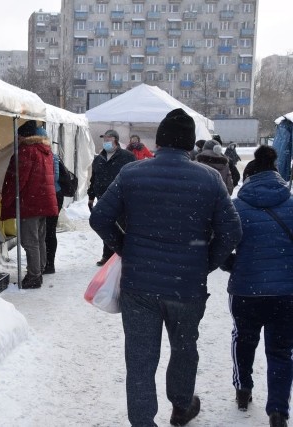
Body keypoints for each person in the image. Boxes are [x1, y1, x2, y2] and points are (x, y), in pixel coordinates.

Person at [89, 108, 242, 427]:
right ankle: (182, 406)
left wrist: (125, 248)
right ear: (189, 145)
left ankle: (143, 421)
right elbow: (231, 230)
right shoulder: (209, 178)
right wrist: (206, 263)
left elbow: (100, 217)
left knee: (141, 359)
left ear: (158, 141)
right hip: (186, 287)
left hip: (139, 286)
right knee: (184, 349)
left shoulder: (132, 174)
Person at [222, 145, 293, 427]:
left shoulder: (236, 206)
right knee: (281, 351)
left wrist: (232, 265)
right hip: (286, 292)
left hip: (246, 290)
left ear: (247, 178)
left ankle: (243, 388)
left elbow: (222, 245)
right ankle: (277, 410)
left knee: (244, 339)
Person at [0, 120, 58, 289]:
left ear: (23, 136)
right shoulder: (45, 151)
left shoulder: (25, 152)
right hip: (43, 201)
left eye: (18, 136)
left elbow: (18, 180)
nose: (16, 139)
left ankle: (33, 276)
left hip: (30, 202)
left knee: (29, 241)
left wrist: (8, 199)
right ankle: (38, 269)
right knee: (39, 239)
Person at [87, 129, 135, 266]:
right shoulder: (99, 158)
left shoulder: (127, 157)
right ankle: (107, 255)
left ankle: (122, 254)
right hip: (102, 197)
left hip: (121, 197)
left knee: (122, 226)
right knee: (106, 225)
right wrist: (91, 196)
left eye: (109, 139)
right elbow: (93, 178)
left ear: (116, 140)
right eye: (104, 139)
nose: (106, 142)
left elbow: (132, 176)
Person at [44, 131, 65, 275]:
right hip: (52, 195)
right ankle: (47, 263)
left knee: (49, 231)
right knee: (48, 231)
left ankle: (49, 264)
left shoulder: (52, 156)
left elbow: (54, 177)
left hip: (53, 196)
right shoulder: (52, 155)